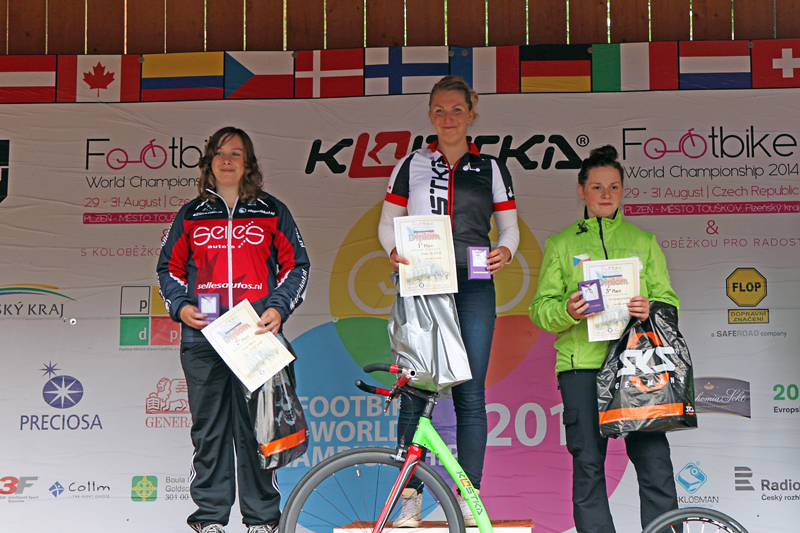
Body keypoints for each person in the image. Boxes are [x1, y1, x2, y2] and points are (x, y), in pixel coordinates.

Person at [377, 75, 520, 527]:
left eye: (457, 109)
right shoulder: (411, 163)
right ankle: (410, 501)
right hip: (423, 282)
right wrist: (392, 250)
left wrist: (505, 252)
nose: (448, 117)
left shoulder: (491, 167)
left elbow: (510, 228)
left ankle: (468, 498)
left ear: (471, 114)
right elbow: (387, 222)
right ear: (430, 115)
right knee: (417, 391)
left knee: (470, 394)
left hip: (475, 283)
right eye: (439, 110)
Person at [157, 127, 310, 533]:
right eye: (220, 153)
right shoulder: (191, 214)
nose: (227, 160)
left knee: (259, 429)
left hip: (254, 337)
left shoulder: (272, 210)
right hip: (204, 337)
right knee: (209, 432)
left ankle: (262, 521)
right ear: (209, 162)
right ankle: (209, 520)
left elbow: (297, 265)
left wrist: (278, 307)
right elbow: (168, 269)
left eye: (236, 153)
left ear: (248, 163)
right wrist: (181, 306)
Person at [529, 145, 680, 533]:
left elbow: (669, 300)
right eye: (597, 187)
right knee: (589, 467)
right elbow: (540, 309)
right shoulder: (562, 244)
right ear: (581, 190)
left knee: (654, 464)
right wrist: (568, 310)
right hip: (582, 367)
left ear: (623, 190)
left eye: (614, 186)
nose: (606, 194)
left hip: (637, 366)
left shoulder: (643, 240)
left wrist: (651, 308)